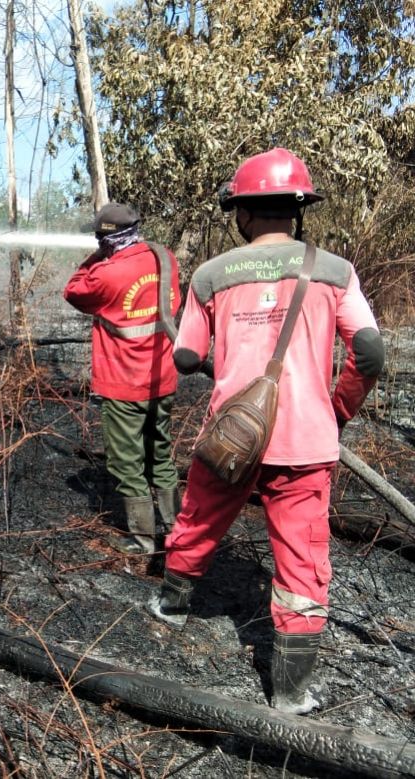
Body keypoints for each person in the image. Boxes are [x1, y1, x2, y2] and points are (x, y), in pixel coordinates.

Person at [147, 148, 385, 714]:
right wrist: (337, 410)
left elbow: (186, 357)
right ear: (297, 210)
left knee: (198, 516)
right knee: (302, 559)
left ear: (243, 213)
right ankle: (290, 692)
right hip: (306, 440)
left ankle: (173, 605)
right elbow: (370, 351)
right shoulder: (335, 271)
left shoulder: (211, 275)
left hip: (233, 436)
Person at [64, 202, 182, 556]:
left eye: (98, 237)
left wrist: (95, 257)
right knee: (160, 456)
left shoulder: (105, 274)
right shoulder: (165, 258)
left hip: (124, 383)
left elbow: (73, 290)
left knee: (125, 462)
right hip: (163, 377)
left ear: (106, 239)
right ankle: (177, 531)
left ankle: (143, 539)